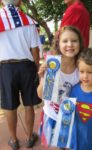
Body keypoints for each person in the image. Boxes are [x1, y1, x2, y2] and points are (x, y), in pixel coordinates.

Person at [0, 0, 41, 149]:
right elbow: (35, 51)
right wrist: (35, 68)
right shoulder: (28, 21)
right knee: (29, 104)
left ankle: (14, 140)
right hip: (26, 66)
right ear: (19, 1)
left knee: (9, 106)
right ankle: (30, 137)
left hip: (6, 68)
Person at [37, 26, 83, 148]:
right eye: (65, 41)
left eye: (74, 41)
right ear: (58, 44)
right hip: (52, 116)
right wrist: (43, 78)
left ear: (80, 43)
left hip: (72, 118)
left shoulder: (81, 68)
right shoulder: (52, 65)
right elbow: (41, 95)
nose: (70, 44)